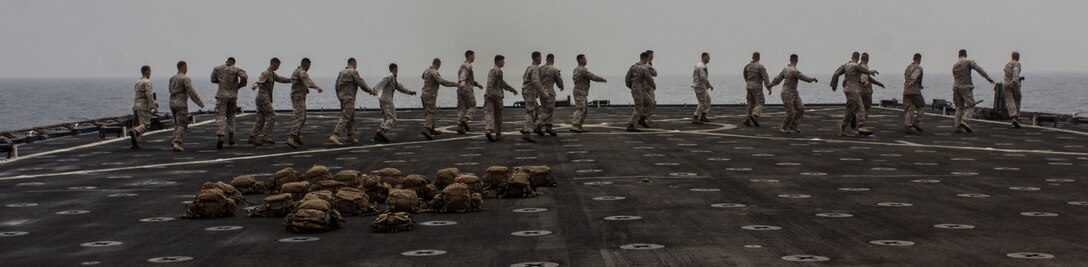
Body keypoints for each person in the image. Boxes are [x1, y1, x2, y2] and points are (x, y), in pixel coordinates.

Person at [830, 52, 879, 136]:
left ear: (852, 57)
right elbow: (862, 70)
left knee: (861, 108)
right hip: (851, 90)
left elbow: (836, 74)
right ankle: (842, 126)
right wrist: (870, 72)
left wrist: (834, 84)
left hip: (854, 90)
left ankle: (861, 126)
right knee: (851, 109)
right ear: (858, 57)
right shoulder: (854, 66)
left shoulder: (845, 65)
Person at [329, 58, 376, 145]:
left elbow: (336, 85)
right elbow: (361, 83)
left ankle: (350, 136)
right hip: (349, 98)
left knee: (351, 116)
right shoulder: (353, 72)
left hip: (342, 97)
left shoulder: (341, 72)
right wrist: (370, 90)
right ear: (354, 63)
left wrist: (339, 96)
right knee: (346, 116)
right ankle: (335, 135)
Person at [767, 54, 817, 133]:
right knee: (791, 112)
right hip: (787, 93)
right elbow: (803, 77)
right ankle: (783, 127)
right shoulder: (793, 70)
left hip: (794, 92)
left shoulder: (786, 69)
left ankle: (793, 124)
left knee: (801, 108)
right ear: (797, 60)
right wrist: (812, 79)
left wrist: (771, 84)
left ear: (790, 60)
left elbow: (778, 79)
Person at [248, 58, 290, 146]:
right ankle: (267, 135)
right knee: (272, 115)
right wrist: (255, 85)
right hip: (263, 98)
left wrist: (292, 80)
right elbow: (259, 81)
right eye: (278, 65)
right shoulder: (266, 73)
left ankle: (252, 137)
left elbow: (281, 79)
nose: (278, 67)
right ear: (273, 64)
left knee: (261, 119)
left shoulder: (273, 74)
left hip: (263, 98)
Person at [951, 49, 995, 133]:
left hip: (956, 87)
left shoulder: (955, 65)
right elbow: (979, 69)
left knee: (959, 107)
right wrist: (988, 78)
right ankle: (965, 120)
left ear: (958, 55)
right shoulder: (968, 62)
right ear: (966, 54)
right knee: (971, 105)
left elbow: (954, 76)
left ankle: (957, 125)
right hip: (966, 87)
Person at [372, 63, 417, 142]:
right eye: (397, 69)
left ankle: (379, 133)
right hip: (387, 99)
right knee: (392, 118)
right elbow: (382, 81)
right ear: (395, 69)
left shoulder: (393, 79)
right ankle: (381, 131)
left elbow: (400, 87)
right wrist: (374, 90)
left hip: (382, 99)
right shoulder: (390, 76)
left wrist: (410, 92)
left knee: (386, 118)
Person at [210, 57, 248, 149]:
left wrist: (221, 82)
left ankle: (220, 137)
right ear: (233, 63)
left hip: (221, 95)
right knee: (231, 116)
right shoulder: (236, 69)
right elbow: (244, 76)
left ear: (226, 61)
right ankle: (231, 137)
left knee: (220, 116)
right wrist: (239, 85)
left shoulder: (217, 68)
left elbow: (213, 79)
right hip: (232, 96)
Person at [286, 58, 324, 148]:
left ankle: (296, 135)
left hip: (300, 98)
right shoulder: (302, 72)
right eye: (309, 66)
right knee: (299, 118)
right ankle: (291, 137)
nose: (309, 68)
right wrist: (317, 87)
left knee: (303, 117)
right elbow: (308, 82)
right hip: (298, 98)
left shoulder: (297, 71)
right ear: (306, 65)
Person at [168, 61, 205, 151]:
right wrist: (200, 103)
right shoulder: (185, 79)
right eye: (186, 67)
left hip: (172, 103)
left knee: (177, 123)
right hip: (181, 103)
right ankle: (177, 142)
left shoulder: (172, 78)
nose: (187, 69)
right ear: (183, 67)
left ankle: (173, 140)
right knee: (182, 124)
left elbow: (170, 90)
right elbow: (191, 92)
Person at [420, 58, 459, 140]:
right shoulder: (434, 72)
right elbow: (441, 81)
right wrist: (455, 84)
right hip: (430, 95)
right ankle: (426, 128)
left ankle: (431, 129)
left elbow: (423, 76)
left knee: (429, 111)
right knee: (431, 112)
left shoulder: (427, 70)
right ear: (438, 64)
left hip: (424, 94)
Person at [484, 55, 519, 142]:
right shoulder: (496, 71)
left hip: (489, 95)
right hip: (496, 96)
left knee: (489, 113)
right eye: (503, 61)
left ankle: (489, 129)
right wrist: (512, 90)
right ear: (498, 61)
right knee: (498, 115)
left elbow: (501, 83)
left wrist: (511, 89)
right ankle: (498, 134)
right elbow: (491, 83)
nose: (504, 62)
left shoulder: (495, 71)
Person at [570, 54, 606, 133]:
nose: (586, 60)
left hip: (581, 91)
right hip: (580, 91)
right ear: (580, 60)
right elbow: (592, 76)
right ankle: (575, 125)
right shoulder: (582, 70)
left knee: (585, 110)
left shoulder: (576, 69)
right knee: (580, 109)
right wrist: (602, 79)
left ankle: (579, 125)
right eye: (584, 59)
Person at [536, 53, 565, 136]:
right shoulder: (554, 69)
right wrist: (561, 86)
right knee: (548, 110)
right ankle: (539, 126)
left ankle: (549, 126)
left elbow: (536, 80)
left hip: (541, 92)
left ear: (546, 59)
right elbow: (558, 80)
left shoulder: (540, 68)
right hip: (549, 92)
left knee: (548, 109)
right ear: (553, 60)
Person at [129, 65, 158, 149]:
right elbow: (149, 95)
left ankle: (135, 143)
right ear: (146, 71)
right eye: (150, 71)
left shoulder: (137, 82)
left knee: (137, 124)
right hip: (143, 106)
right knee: (145, 125)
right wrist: (153, 106)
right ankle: (135, 132)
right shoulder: (147, 82)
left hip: (135, 105)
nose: (150, 73)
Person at [625, 52, 655, 132]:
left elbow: (627, 78)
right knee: (638, 108)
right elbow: (649, 78)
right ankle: (631, 125)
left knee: (651, 102)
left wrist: (630, 86)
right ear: (645, 58)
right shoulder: (643, 68)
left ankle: (642, 119)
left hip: (638, 88)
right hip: (638, 89)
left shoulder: (633, 67)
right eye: (647, 58)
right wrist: (654, 85)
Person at [456, 50, 484, 134]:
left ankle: (459, 126)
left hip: (460, 88)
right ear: (469, 56)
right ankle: (466, 119)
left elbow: (469, 79)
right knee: (472, 106)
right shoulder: (468, 65)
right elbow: (463, 76)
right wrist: (462, 81)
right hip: (466, 88)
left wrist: (477, 84)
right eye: (473, 55)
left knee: (462, 108)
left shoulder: (461, 65)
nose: (474, 57)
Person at [520, 51, 544, 143]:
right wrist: (543, 92)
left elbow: (525, 79)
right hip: (530, 92)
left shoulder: (529, 67)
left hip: (527, 91)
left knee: (536, 110)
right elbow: (535, 81)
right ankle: (527, 132)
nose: (541, 59)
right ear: (537, 58)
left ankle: (526, 127)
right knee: (530, 112)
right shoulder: (534, 68)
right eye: (540, 57)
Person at [742, 52, 771, 127]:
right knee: (760, 102)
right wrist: (768, 87)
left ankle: (747, 119)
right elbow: (765, 78)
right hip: (757, 85)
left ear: (752, 57)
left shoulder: (747, 66)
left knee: (750, 103)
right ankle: (755, 115)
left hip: (749, 85)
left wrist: (748, 82)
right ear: (758, 57)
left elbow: (745, 75)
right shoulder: (760, 67)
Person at [903, 53, 926, 134]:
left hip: (906, 90)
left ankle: (907, 125)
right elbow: (915, 76)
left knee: (909, 108)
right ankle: (916, 122)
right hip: (914, 91)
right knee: (922, 106)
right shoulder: (918, 68)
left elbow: (906, 77)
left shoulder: (907, 67)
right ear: (919, 59)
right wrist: (914, 84)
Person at [1003, 51, 1024, 128]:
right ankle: (1016, 117)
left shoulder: (1007, 64)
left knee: (1010, 101)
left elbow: (1008, 74)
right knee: (1017, 100)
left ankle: (1013, 116)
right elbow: (1015, 71)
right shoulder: (1016, 64)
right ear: (1017, 57)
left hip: (1005, 84)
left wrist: (1019, 78)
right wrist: (1015, 80)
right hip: (1013, 84)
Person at [690, 52, 713, 124]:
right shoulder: (701, 66)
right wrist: (709, 85)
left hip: (701, 86)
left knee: (708, 100)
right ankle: (695, 117)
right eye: (708, 57)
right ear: (704, 57)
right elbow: (703, 77)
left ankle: (703, 115)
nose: (709, 59)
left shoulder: (699, 65)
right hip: (700, 86)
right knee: (702, 102)